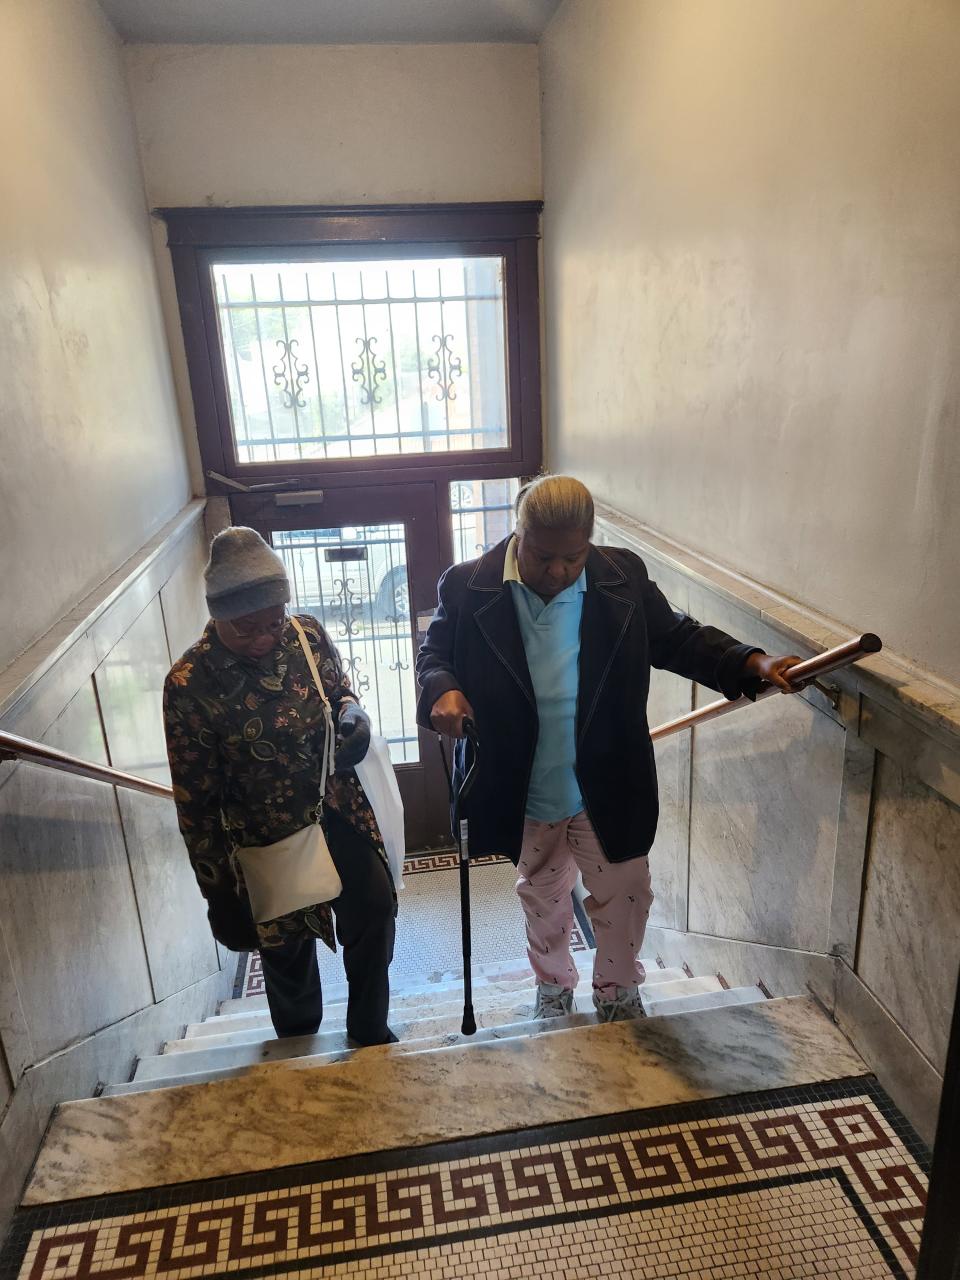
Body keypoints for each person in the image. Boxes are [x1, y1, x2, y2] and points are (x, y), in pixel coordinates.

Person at [417, 476, 801, 1022]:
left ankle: (617, 991)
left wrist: (749, 662)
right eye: (543, 555)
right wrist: (443, 688)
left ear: (590, 542)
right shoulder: (466, 584)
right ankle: (553, 984)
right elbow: (434, 655)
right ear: (517, 534)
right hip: (525, 785)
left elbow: (677, 638)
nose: (557, 571)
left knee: (625, 897)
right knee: (545, 902)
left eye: (573, 557)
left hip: (606, 780)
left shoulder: (621, 576)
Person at [163, 526, 397, 1046]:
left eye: (273, 621)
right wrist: (219, 894)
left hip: (335, 809)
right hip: (265, 836)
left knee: (374, 907)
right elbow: (195, 803)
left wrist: (352, 713)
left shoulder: (306, 633)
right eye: (246, 629)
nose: (265, 638)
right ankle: (299, 1046)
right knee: (287, 949)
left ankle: (368, 1028)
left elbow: (337, 689)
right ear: (217, 615)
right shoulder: (190, 683)